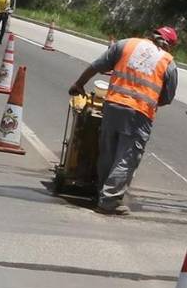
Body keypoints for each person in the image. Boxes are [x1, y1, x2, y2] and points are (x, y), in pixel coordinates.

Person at [68, 27, 179, 215]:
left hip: (112, 106)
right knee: (126, 157)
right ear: (169, 45)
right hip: (140, 113)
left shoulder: (126, 44)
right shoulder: (168, 62)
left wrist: (79, 83)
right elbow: (167, 97)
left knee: (108, 152)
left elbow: (96, 66)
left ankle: (101, 193)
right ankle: (108, 201)